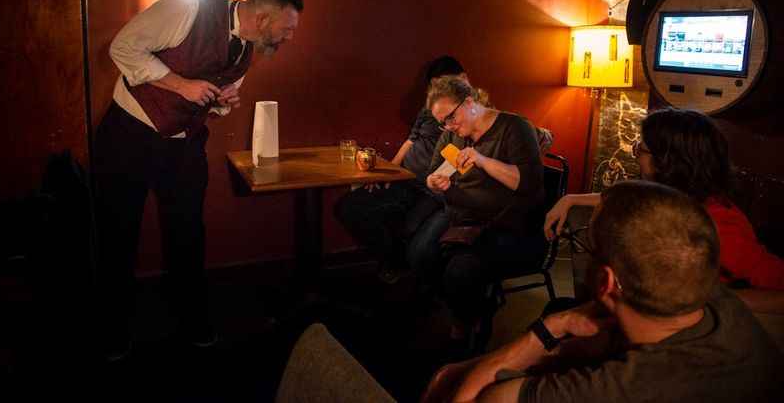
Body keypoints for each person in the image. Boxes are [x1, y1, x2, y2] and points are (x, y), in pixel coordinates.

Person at [422, 181, 783, 403]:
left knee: (448, 380)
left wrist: (553, 326)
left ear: (606, 282)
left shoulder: (627, 387)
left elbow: (474, 398)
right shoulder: (718, 304)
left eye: (586, 245)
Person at [93, 0, 304, 359]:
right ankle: (111, 328)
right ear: (263, 17)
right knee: (117, 232)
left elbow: (211, 99)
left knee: (188, 234)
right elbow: (122, 48)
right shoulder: (185, 7)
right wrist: (181, 85)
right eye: (287, 28)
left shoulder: (245, 51)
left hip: (184, 146)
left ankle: (191, 320)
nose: (290, 36)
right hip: (129, 135)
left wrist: (224, 101)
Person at [545, 107, 784, 311]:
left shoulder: (717, 224)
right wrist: (571, 199)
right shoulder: (673, 201)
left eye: (641, 149)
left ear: (669, 162)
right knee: (557, 309)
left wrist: (703, 304)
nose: (636, 156)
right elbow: (629, 196)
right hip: (637, 311)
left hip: (668, 328)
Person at [425, 75, 544, 340]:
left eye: (451, 118)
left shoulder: (514, 127)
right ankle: (462, 309)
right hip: (463, 220)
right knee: (421, 254)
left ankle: (468, 326)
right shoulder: (451, 136)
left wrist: (482, 160)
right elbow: (432, 172)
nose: (448, 126)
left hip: (507, 225)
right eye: (442, 122)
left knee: (460, 269)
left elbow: (530, 184)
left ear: (469, 102)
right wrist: (433, 181)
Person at [334, 56, 469, 285]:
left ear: (464, 80)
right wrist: (389, 172)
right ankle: (396, 262)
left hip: (436, 192)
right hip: (406, 181)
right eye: (436, 86)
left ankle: (408, 275)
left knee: (410, 230)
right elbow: (411, 141)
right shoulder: (429, 109)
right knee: (348, 206)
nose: (441, 91)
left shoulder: (471, 115)